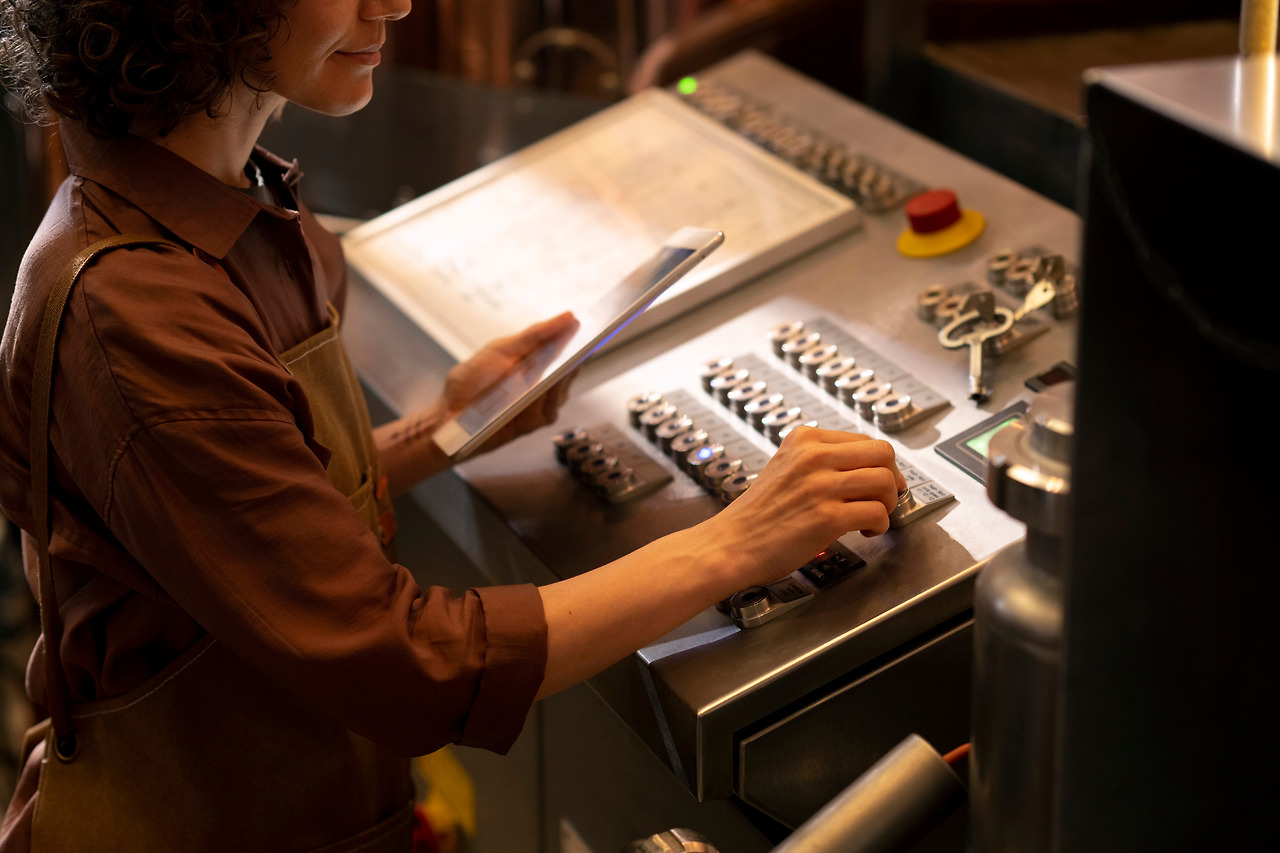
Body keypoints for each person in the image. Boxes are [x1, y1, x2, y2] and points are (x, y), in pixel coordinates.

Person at [0, 0, 905, 850]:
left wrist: (444, 426)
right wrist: (737, 540)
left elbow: (264, 510)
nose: (395, 4)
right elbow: (408, 664)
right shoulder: (136, 310)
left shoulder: (239, 197)